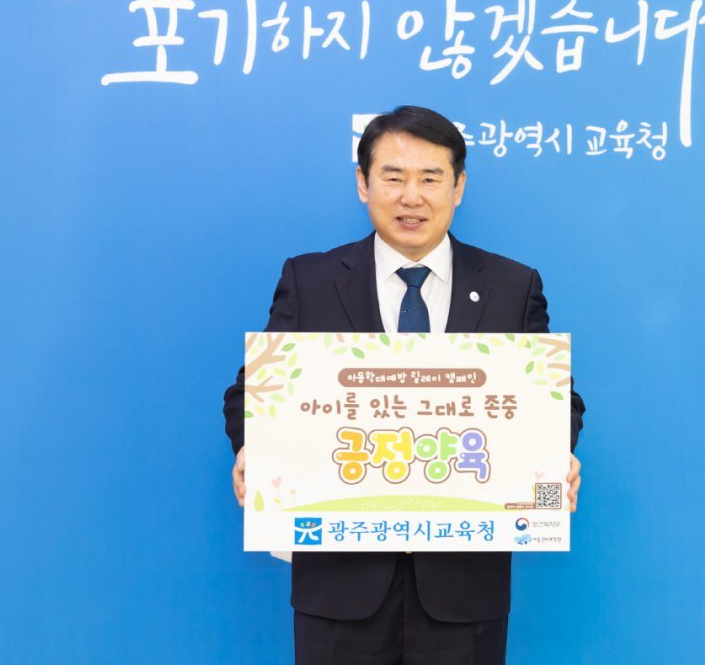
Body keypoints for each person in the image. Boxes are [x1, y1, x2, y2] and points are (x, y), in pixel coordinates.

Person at [223, 105, 585, 665]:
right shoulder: (311, 279)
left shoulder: (512, 285)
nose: (411, 196)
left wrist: (554, 455)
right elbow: (251, 394)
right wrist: (255, 448)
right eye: (393, 177)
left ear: (458, 187)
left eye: (430, 178)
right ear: (363, 183)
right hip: (339, 587)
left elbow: (556, 401)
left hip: (463, 589)